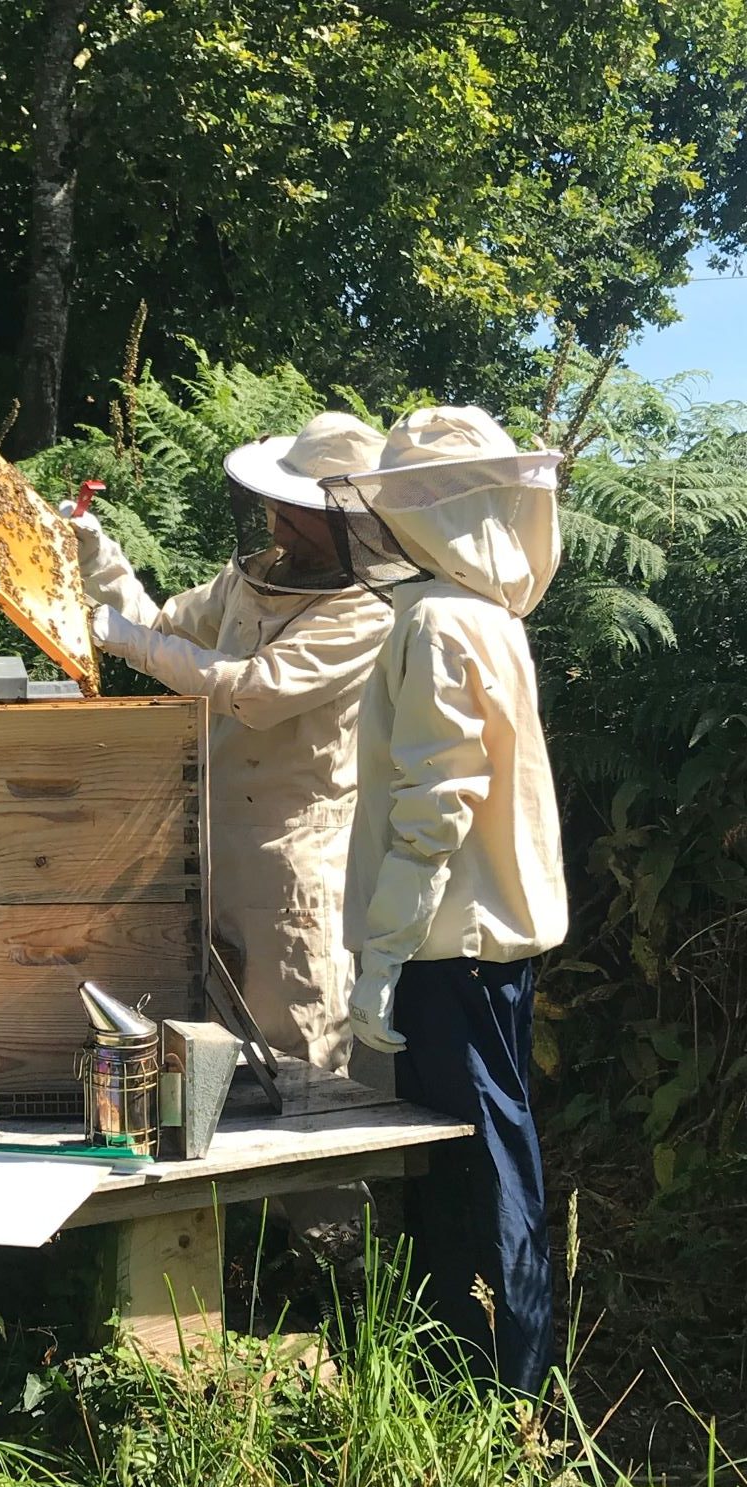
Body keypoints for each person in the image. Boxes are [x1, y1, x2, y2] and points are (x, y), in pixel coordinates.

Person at [60, 414, 393, 1254]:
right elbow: (163, 630)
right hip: (212, 835)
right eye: (276, 507)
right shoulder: (256, 577)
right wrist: (95, 553)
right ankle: (235, 1239)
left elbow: (254, 690)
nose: (279, 526)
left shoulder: (367, 611)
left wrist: (125, 641)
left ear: (349, 518)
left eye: (298, 511)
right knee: (213, 1034)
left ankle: (335, 1264)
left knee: (305, 1039)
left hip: (297, 850)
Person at [328, 405, 568, 1396]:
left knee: (487, 1159)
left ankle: (518, 1389)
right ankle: (458, 1370)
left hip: (447, 948)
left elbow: (438, 806)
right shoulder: (486, 617)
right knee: (472, 1155)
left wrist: (383, 957)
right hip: (471, 945)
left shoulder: (437, 621)